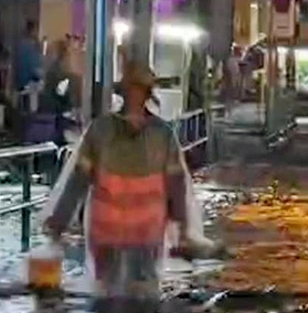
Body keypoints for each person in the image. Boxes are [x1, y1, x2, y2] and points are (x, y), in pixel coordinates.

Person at [41, 62, 216, 301]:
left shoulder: (108, 130)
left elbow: (79, 179)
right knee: (137, 293)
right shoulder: (157, 134)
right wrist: (183, 227)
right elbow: (79, 179)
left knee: (112, 293)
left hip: (121, 229)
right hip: (134, 229)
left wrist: (59, 221)